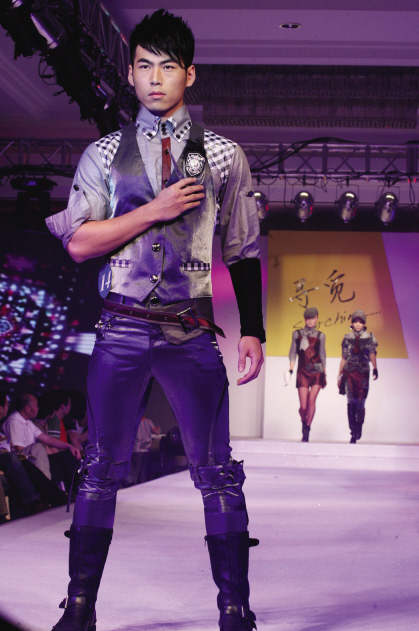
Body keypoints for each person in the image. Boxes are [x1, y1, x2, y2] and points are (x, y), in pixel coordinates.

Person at [45, 9, 264, 631]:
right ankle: (79, 608)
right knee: (99, 469)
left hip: (190, 329)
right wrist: (155, 209)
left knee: (217, 471)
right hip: (119, 327)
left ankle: (234, 609)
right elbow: (79, 244)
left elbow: (243, 249)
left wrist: (254, 329)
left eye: (168, 67)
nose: (155, 78)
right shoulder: (102, 154)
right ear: (131, 73)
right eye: (144, 66)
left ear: (188, 74)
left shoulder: (222, 155)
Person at [2, 394, 81, 482]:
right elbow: (19, 450)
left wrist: (69, 446)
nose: (38, 408)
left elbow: (48, 439)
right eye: (36, 406)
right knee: (38, 447)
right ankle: (47, 485)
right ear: (27, 409)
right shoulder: (14, 422)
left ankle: (78, 486)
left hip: (34, 459)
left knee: (68, 455)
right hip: (25, 463)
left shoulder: (28, 423)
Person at [337, 310, 378, 443]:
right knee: (350, 402)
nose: (358, 324)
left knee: (360, 403)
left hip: (363, 373)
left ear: (364, 323)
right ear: (352, 323)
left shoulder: (369, 337)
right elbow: (344, 357)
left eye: (360, 322)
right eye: (355, 322)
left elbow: (372, 353)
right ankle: (353, 432)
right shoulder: (347, 337)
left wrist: (375, 368)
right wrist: (339, 375)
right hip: (349, 372)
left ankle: (358, 426)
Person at [287, 307, 326, 442]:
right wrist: (291, 370)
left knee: (311, 400)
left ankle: (307, 429)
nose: (310, 321)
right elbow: (293, 353)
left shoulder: (320, 336)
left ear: (317, 319)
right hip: (302, 371)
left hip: (317, 371)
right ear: (305, 319)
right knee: (303, 406)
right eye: (308, 318)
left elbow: (322, 355)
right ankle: (304, 421)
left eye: (313, 318)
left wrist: (325, 374)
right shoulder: (297, 334)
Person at [122, 416, 161, 486]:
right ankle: (142, 486)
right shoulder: (148, 422)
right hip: (146, 449)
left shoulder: (133, 422)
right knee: (144, 471)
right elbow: (157, 432)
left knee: (134, 471)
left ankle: (133, 486)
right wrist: (158, 428)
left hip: (136, 449)